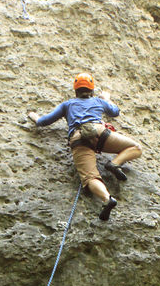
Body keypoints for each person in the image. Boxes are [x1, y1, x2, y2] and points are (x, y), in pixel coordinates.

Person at [28, 72, 142, 221]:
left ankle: (107, 199)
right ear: (92, 90)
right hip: (99, 132)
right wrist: (106, 99)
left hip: (79, 138)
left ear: (76, 90)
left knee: (90, 178)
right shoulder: (98, 101)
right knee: (136, 148)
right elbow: (115, 112)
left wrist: (34, 116)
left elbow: (44, 121)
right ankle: (114, 164)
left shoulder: (67, 105)